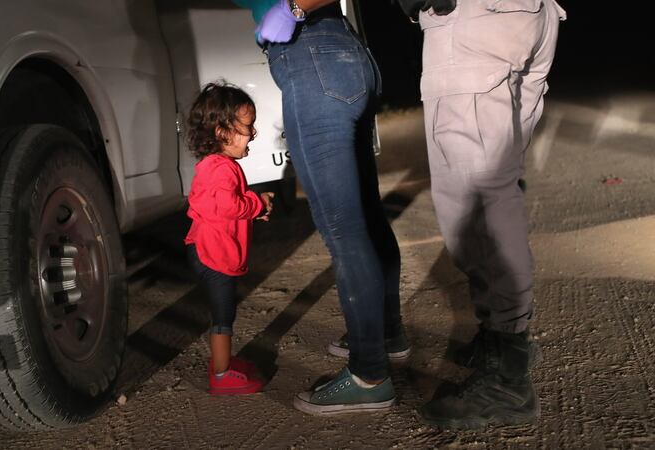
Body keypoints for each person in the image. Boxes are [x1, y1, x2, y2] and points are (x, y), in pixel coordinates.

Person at [394, 0, 566, 428]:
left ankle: (508, 377)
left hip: (477, 20)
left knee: (476, 202)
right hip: (528, 15)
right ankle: (504, 339)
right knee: (497, 187)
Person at [234, 0, 408, 415]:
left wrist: (294, 8)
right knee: (364, 216)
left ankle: (369, 374)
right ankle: (385, 333)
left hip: (312, 54)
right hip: (341, 53)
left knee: (343, 230)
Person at [184, 82, 275, 395]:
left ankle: (223, 363)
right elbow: (226, 206)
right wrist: (256, 204)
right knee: (223, 315)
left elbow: (224, 204)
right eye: (247, 127)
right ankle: (221, 375)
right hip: (213, 254)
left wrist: (252, 206)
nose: (252, 133)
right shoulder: (220, 168)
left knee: (222, 312)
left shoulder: (216, 166)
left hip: (206, 249)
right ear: (222, 132)